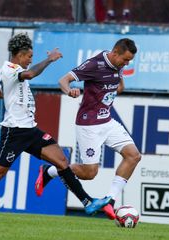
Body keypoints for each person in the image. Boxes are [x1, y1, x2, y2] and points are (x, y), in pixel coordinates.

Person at [0, 33, 111, 218]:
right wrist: (49, 60)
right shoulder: (9, 70)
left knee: (61, 161)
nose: (30, 60)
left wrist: (6, 96)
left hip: (30, 130)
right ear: (19, 55)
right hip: (14, 132)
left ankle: (88, 202)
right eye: (29, 56)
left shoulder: (8, 72)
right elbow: (26, 74)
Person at [35, 38, 141, 220]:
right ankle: (49, 171)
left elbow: (119, 87)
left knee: (134, 156)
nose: (127, 64)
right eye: (125, 60)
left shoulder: (118, 65)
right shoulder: (95, 64)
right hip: (89, 125)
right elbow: (63, 80)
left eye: (129, 61)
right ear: (115, 52)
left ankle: (110, 200)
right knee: (89, 173)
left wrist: (112, 86)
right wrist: (70, 91)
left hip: (107, 121)